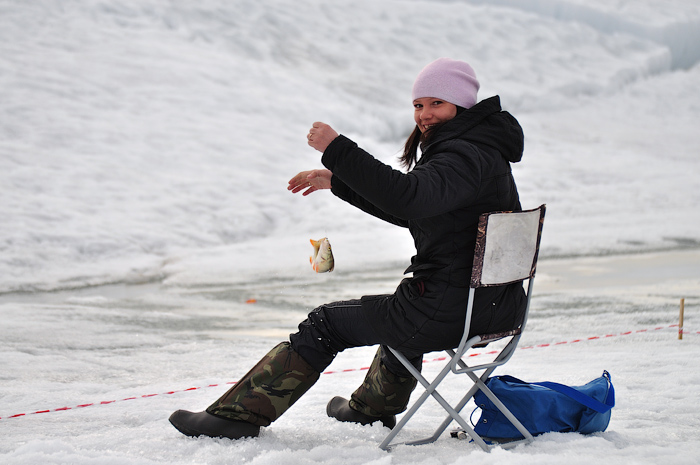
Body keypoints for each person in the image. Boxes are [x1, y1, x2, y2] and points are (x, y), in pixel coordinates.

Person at [169, 57, 527, 440]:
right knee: (399, 309)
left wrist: (337, 149)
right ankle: (370, 410)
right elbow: (420, 213)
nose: (424, 114)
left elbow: (408, 198)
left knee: (328, 323)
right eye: (418, 105)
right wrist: (338, 182)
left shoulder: (462, 154)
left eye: (436, 103)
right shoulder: (481, 150)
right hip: (496, 307)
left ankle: (236, 417)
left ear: (462, 105)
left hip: (451, 312)